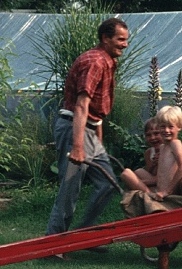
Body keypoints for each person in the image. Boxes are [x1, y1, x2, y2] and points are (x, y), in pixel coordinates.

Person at [45, 17, 129, 256]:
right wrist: (79, 147)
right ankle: (54, 245)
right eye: (120, 39)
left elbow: (96, 112)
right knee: (70, 188)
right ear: (105, 38)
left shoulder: (108, 61)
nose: (125, 45)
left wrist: (97, 141)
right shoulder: (94, 61)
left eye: (126, 40)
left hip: (89, 130)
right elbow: (82, 106)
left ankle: (84, 235)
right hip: (74, 129)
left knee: (107, 184)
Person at [149, 105, 182, 201]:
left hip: (170, 194)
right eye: (163, 126)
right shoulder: (163, 147)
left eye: (171, 127)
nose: (166, 130)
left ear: (179, 127)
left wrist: (167, 191)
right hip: (160, 191)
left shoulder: (175, 144)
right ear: (158, 127)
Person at [119, 117, 161, 192]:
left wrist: (139, 182)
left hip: (165, 185)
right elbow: (149, 172)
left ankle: (149, 196)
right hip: (154, 184)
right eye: (148, 135)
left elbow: (166, 179)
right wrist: (154, 164)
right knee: (138, 171)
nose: (152, 138)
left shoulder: (169, 150)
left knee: (128, 176)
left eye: (156, 133)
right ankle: (149, 194)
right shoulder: (148, 153)